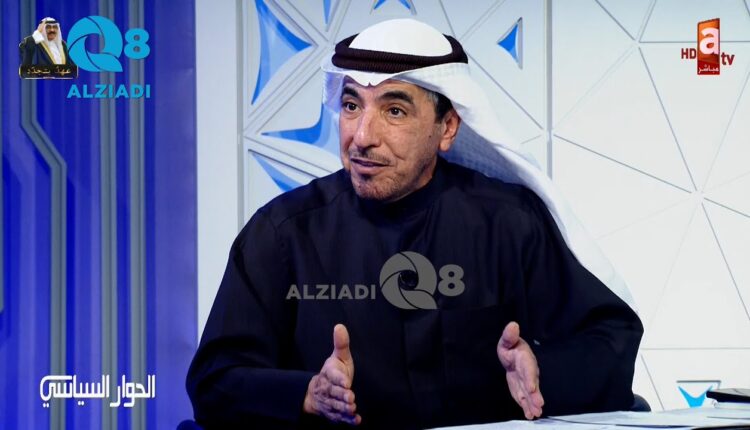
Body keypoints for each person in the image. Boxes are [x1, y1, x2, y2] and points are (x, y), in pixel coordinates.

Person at [187, 18, 643, 429]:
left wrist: (543, 370)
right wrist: (307, 394)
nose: (362, 137)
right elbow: (214, 380)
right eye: (351, 105)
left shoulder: (509, 223)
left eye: (394, 111)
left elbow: (609, 339)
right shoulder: (283, 233)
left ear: (447, 128)